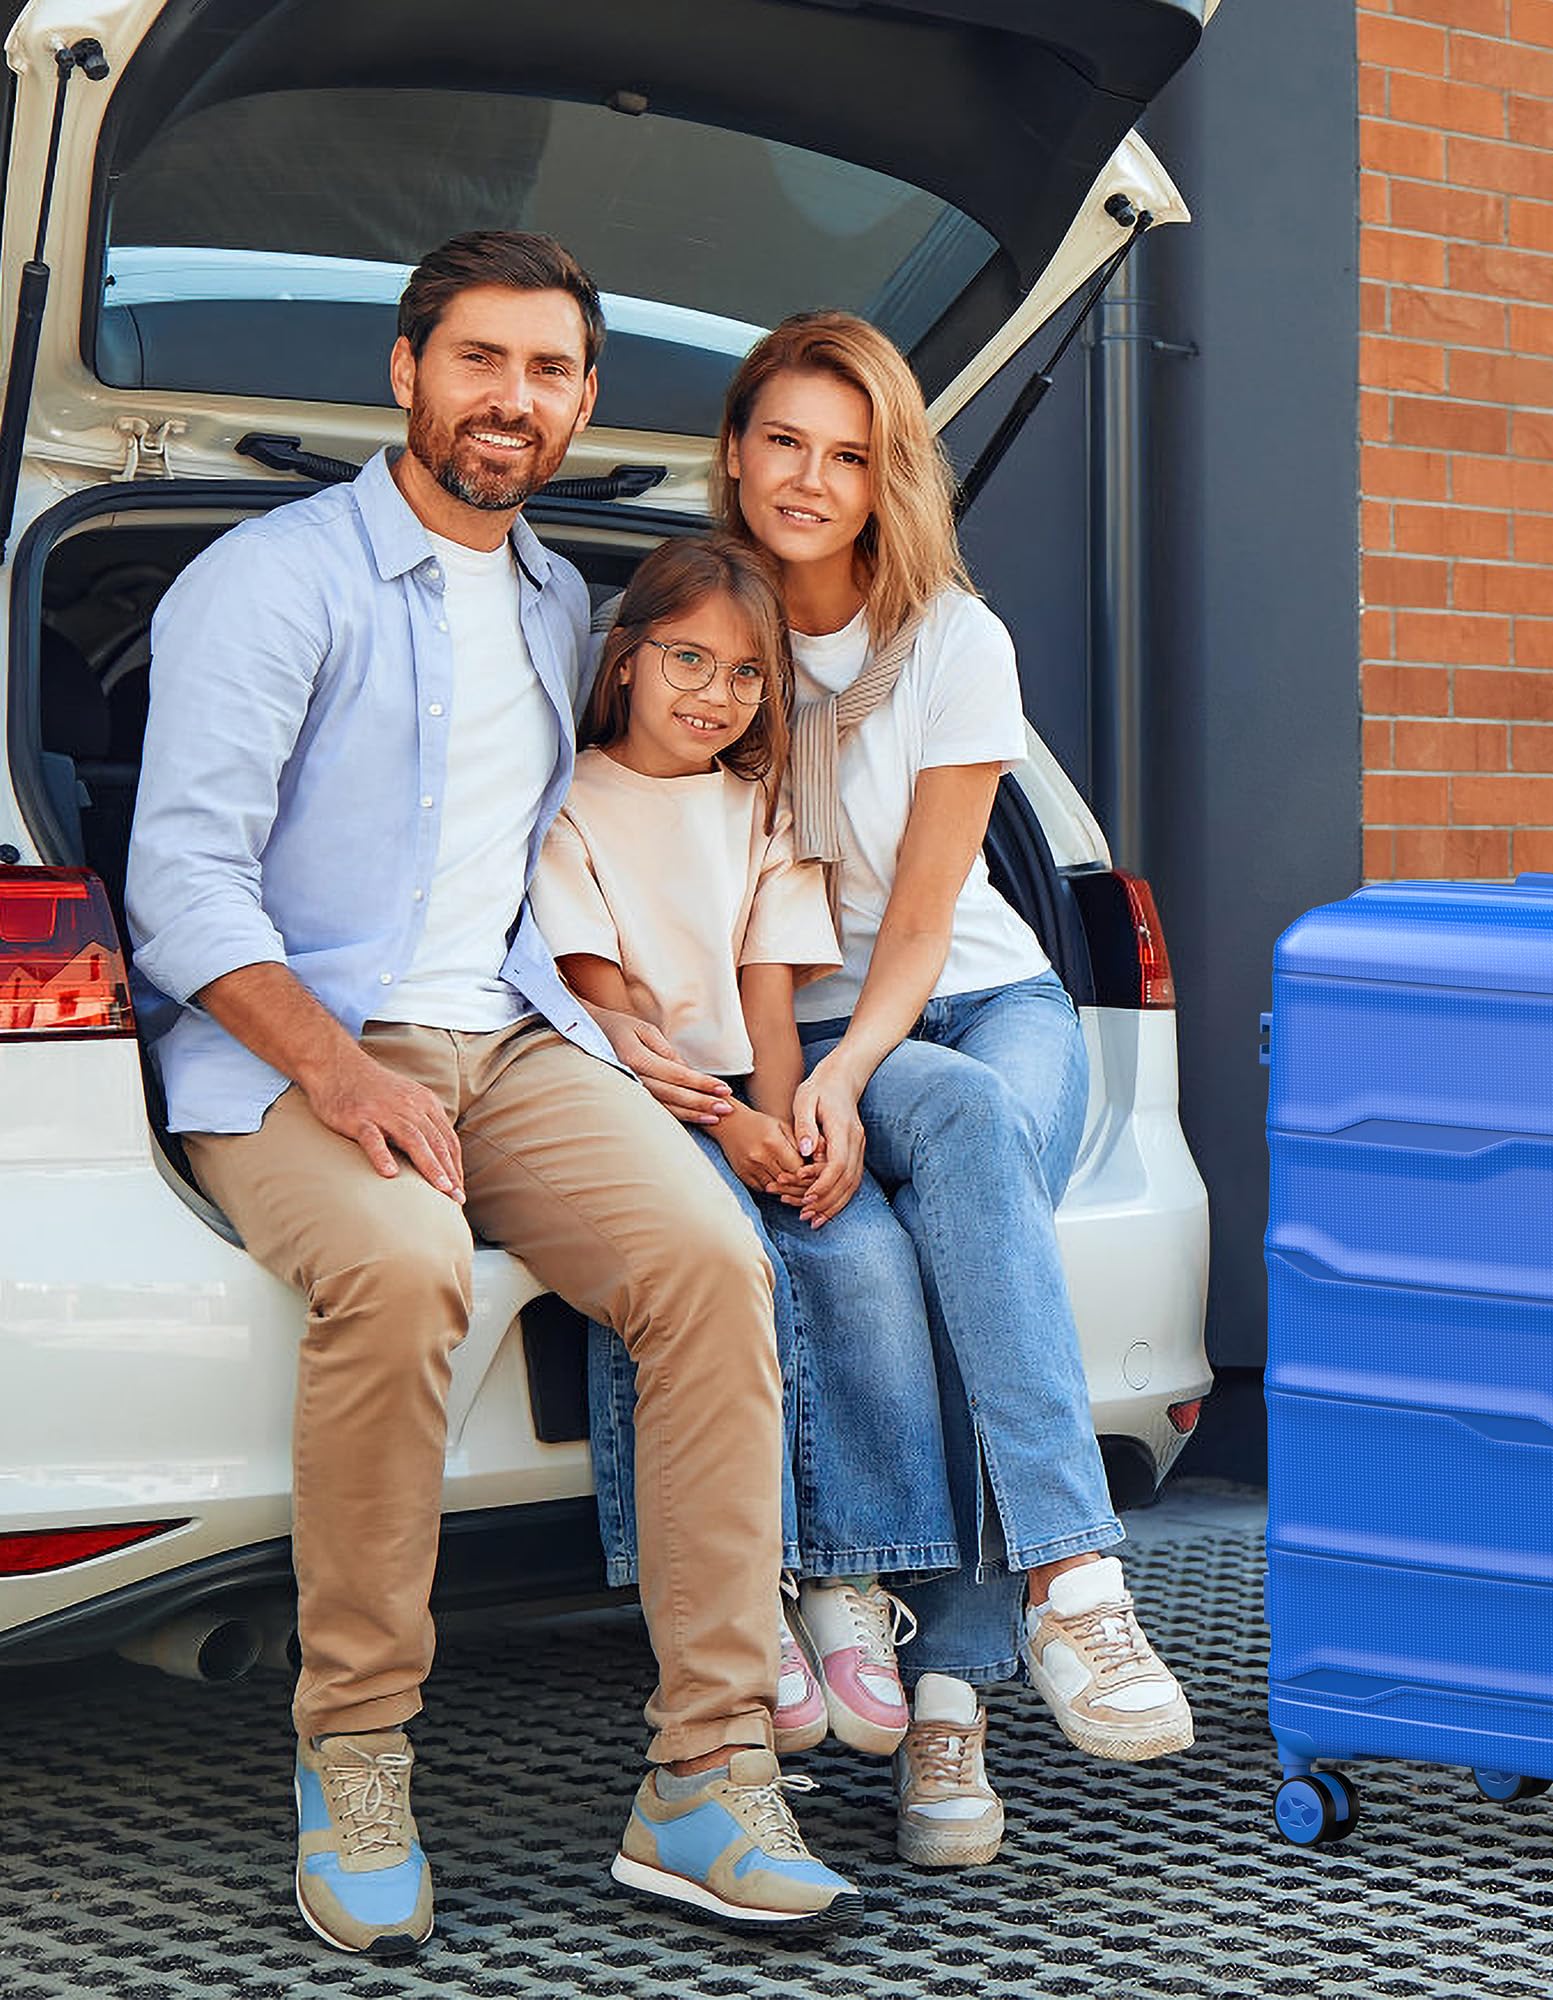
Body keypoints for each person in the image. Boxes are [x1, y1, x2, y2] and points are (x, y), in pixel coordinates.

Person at [124, 233, 862, 1954]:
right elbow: (181, 886)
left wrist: (665, 1054)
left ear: (588, 399)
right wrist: (336, 1070)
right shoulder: (269, 580)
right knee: (400, 1270)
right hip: (294, 1041)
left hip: (513, 1041)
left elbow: (590, 856)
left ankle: (705, 1775)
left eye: (547, 371)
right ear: (406, 372)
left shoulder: (555, 601)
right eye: (480, 361)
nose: (511, 400)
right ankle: (356, 1751)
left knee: (709, 1264)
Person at [718, 310, 1196, 1865]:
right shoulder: (701, 632)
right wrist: (794, 1073)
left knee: (975, 1135)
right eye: (784, 442)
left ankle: (1043, 1608)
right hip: (803, 1021)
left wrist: (851, 1075)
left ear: (886, 480)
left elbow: (926, 916)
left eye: (846, 455)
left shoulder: (952, 640)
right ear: (735, 453)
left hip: (986, 1007)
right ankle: (975, 1685)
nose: (809, 478)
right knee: (941, 1259)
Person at [530, 533, 961, 1764]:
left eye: (747, 675)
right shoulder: (564, 805)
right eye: (687, 660)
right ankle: (746, 1591)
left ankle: (850, 1581)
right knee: (728, 1267)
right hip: (633, 1093)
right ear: (623, 659)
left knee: (859, 1252)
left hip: (742, 1090)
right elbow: (604, 1000)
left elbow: (764, 999)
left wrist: (789, 1127)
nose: (715, 695)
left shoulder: (759, 804)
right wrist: (731, 1131)